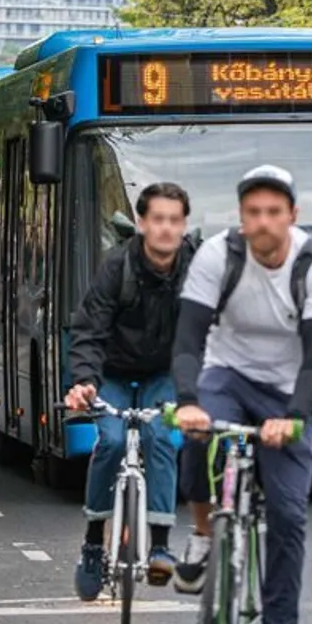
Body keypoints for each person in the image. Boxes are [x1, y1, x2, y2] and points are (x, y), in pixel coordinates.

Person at [170, 164, 312, 624]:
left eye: (273, 212)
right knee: (196, 432)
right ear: (241, 216)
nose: (263, 222)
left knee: (289, 519)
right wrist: (187, 403)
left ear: (293, 215)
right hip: (229, 372)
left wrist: (292, 416)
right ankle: (204, 533)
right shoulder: (217, 255)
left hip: (292, 389)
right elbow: (188, 341)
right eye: (253, 212)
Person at [66, 182, 197, 602]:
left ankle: (160, 545)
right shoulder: (116, 267)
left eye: (174, 220)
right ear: (142, 223)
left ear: (183, 226)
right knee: (111, 441)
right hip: (113, 373)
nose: (165, 228)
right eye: (157, 219)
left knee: (161, 437)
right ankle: (92, 544)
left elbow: (202, 335)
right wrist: (84, 380)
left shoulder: (195, 271)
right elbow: (88, 330)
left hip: (164, 373)